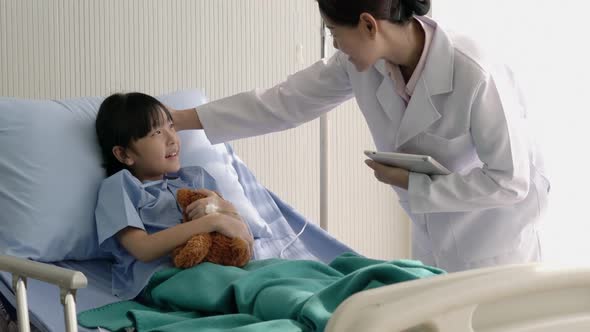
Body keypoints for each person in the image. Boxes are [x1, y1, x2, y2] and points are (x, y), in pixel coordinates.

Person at [170, 0, 550, 273]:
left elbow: (510, 180)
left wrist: (413, 184)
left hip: (495, 244)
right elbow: (284, 103)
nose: (335, 44)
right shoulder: (364, 65)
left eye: (335, 33)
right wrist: (178, 119)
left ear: (369, 25)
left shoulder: (475, 73)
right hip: (434, 240)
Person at [94, 92, 253, 299]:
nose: (172, 139)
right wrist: (212, 221)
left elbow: (243, 239)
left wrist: (226, 209)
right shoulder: (119, 187)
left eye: (171, 127)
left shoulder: (195, 178)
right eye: (156, 133)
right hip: (164, 278)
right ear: (124, 154)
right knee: (251, 292)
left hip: (218, 268)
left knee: (285, 276)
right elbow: (143, 249)